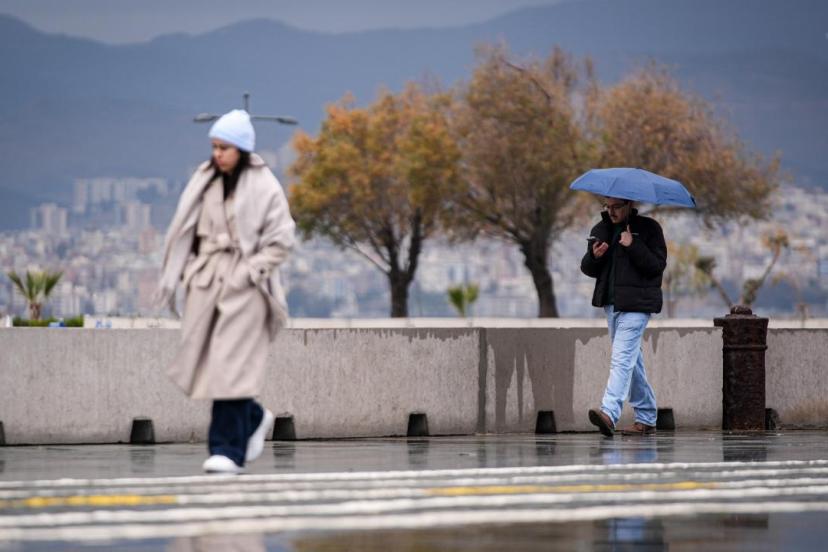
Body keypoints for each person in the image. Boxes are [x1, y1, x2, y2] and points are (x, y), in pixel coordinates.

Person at [157, 109, 296, 473]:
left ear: (242, 149)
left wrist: (250, 272)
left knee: (230, 368)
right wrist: (189, 271)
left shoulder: (264, 184)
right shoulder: (204, 180)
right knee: (214, 365)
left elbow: (282, 238)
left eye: (225, 147)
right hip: (207, 284)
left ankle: (227, 450)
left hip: (246, 289)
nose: (217, 154)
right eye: (215, 147)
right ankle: (253, 417)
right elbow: (185, 230)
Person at [580, 197, 667, 437]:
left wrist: (633, 245)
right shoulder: (601, 229)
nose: (611, 211)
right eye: (607, 206)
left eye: (616, 207)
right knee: (631, 361)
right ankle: (646, 416)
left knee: (620, 359)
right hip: (611, 305)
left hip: (637, 306)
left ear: (629, 204)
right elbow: (587, 268)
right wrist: (594, 256)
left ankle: (609, 413)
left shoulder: (649, 228)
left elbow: (656, 266)